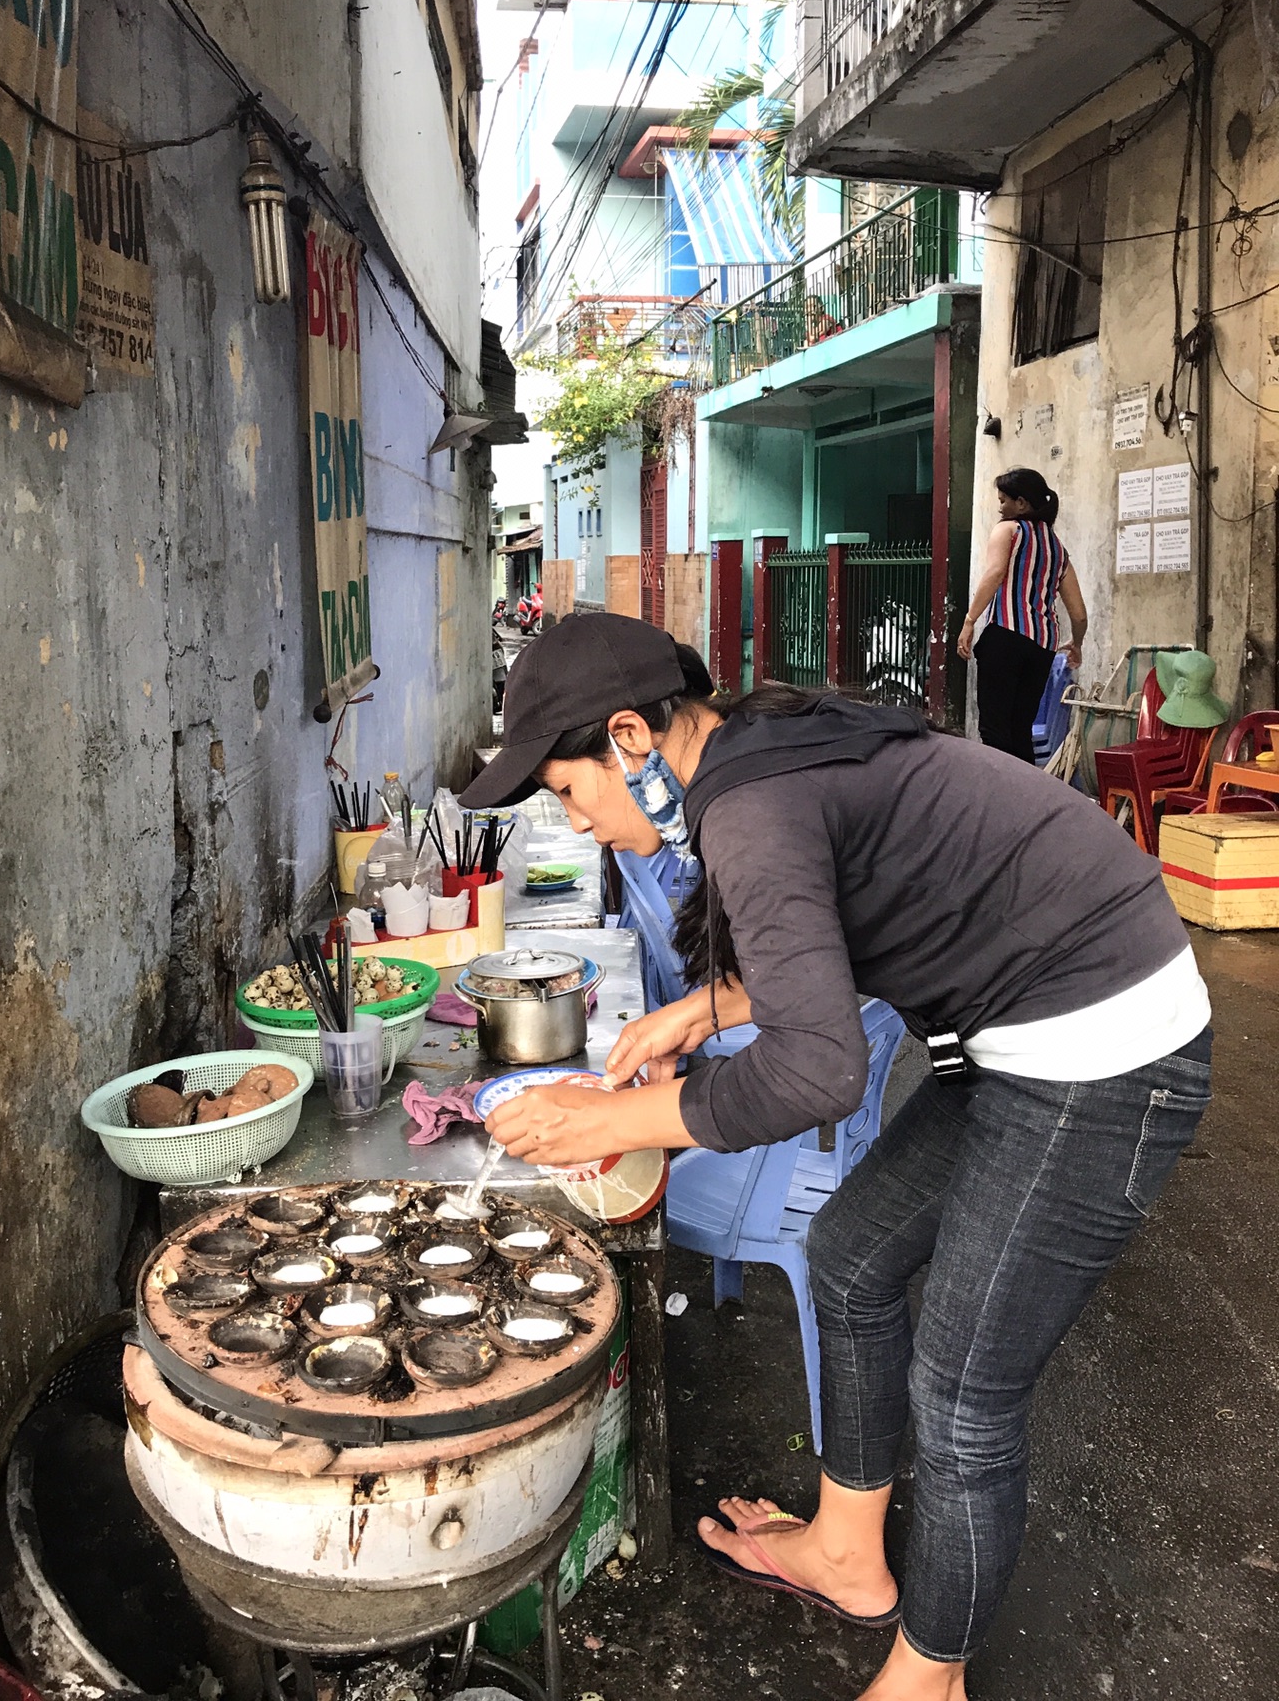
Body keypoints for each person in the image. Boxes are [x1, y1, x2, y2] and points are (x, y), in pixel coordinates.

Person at [462, 614, 1210, 1701]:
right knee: (852, 1254)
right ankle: (849, 1555)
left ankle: (929, 1681)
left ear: (630, 736)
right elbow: (838, 926)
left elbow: (818, 1073)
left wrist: (622, 1119)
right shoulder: (752, 753)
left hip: (1105, 1048)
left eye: (571, 794)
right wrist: (705, 1010)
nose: (582, 824)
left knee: (963, 1391)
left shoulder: (747, 811)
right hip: (1025, 1025)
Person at [956, 467, 1087, 761]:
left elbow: (994, 573)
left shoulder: (1008, 530)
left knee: (994, 728)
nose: (999, 506)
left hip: (1004, 634)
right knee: (1020, 728)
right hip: (1042, 646)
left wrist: (969, 621)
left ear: (1021, 503)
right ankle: (1025, 797)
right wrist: (1076, 643)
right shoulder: (1058, 549)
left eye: (1004, 500)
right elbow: (1078, 614)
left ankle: (998, 797)